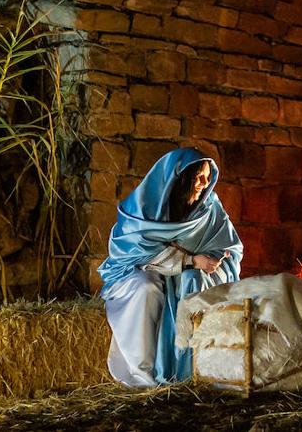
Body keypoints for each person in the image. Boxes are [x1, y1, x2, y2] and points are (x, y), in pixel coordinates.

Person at [98, 147, 243, 386]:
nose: (205, 183)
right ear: (181, 178)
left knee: (192, 282)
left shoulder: (210, 208)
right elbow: (136, 252)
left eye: (208, 177)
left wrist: (211, 261)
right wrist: (189, 261)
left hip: (191, 277)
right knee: (147, 288)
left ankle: (194, 371)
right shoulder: (144, 208)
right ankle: (142, 375)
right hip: (142, 274)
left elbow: (231, 248)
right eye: (199, 177)